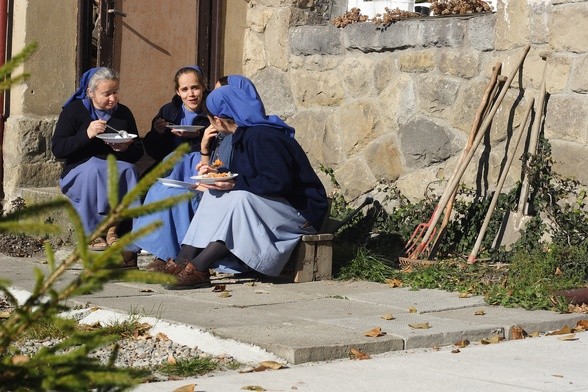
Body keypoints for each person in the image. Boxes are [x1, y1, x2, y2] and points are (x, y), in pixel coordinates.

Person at [164, 85, 329, 289]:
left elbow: (278, 183)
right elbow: (251, 175)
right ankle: (183, 259)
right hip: (278, 205)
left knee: (240, 199)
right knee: (212, 195)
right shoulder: (246, 135)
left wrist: (234, 183)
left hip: (303, 213)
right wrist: (219, 176)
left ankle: (199, 266)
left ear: (219, 119)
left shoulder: (262, 137)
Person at [133, 73, 269, 273]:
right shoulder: (221, 127)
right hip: (216, 185)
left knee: (179, 195)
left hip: (235, 195)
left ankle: (180, 258)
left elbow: (253, 175)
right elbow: (216, 166)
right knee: (159, 189)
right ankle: (157, 252)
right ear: (178, 92)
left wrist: (201, 147)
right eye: (185, 89)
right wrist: (205, 148)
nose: (191, 94)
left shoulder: (255, 133)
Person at [52, 67, 143, 263]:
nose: (113, 99)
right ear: (90, 92)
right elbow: (58, 149)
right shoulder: (74, 111)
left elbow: (138, 151)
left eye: (115, 92)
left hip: (113, 167)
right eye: (106, 94)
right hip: (78, 170)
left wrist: (125, 148)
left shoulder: (123, 113)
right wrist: (86, 135)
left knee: (129, 169)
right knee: (95, 167)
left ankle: (112, 228)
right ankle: (93, 232)